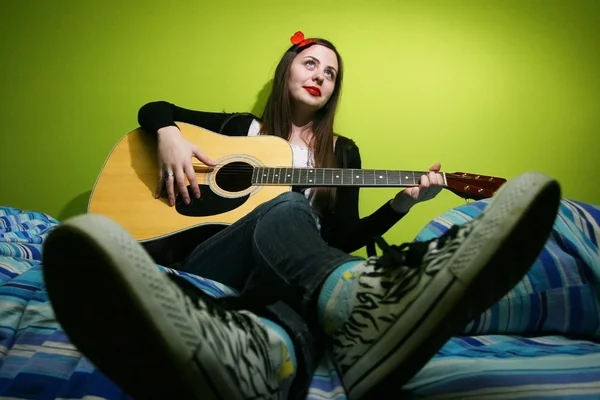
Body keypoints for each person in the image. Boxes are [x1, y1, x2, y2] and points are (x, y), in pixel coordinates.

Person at [42, 32, 561, 400]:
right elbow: (152, 107)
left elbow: (347, 237)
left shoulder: (343, 153)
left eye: (331, 73)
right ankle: (365, 305)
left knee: (302, 269)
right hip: (211, 255)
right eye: (311, 63)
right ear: (288, 68)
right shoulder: (238, 127)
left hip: (278, 273)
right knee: (290, 202)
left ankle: (261, 356)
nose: (321, 76)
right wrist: (169, 134)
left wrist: (404, 202)